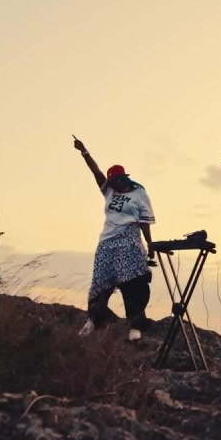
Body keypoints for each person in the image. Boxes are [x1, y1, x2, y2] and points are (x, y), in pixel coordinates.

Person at [72, 135, 156, 342]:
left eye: (114, 182)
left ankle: (135, 325)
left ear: (122, 179)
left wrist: (150, 243)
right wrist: (84, 152)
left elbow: (144, 221)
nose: (111, 185)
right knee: (100, 281)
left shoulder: (139, 194)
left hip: (129, 241)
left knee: (132, 282)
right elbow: (96, 172)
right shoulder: (109, 191)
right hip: (107, 242)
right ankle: (94, 319)